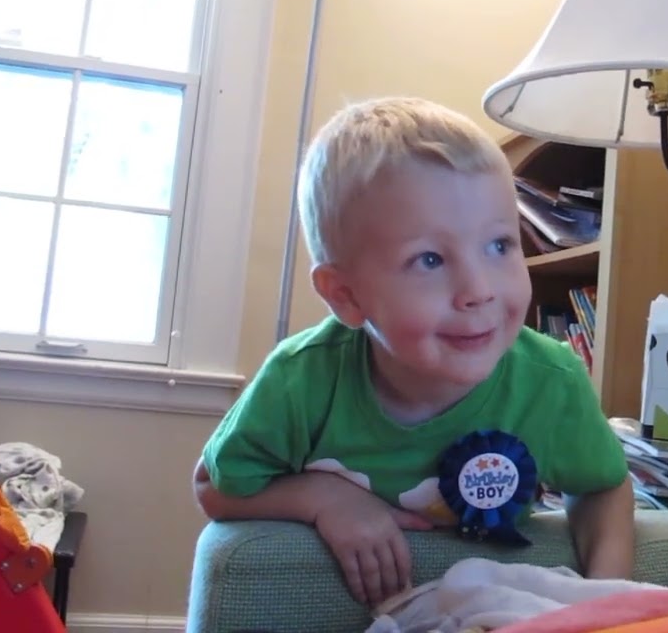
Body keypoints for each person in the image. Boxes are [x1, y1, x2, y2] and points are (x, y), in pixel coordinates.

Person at [192, 97, 634, 607]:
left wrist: (603, 604)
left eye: (499, 245)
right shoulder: (301, 379)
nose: (478, 291)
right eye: (429, 260)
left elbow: (603, 487)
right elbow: (213, 486)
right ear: (346, 296)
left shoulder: (552, 380)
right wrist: (325, 499)